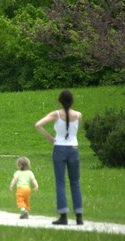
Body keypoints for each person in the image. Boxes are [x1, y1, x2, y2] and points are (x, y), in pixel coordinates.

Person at [35, 90, 83, 225]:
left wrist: (49, 137)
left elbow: (38, 124)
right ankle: (79, 216)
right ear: (72, 101)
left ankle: (63, 215)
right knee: (75, 183)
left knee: (60, 182)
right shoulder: (78, 115)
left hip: (59, 148)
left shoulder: (56, 114)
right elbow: (75, 132)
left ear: (60, 101)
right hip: (73, 149)